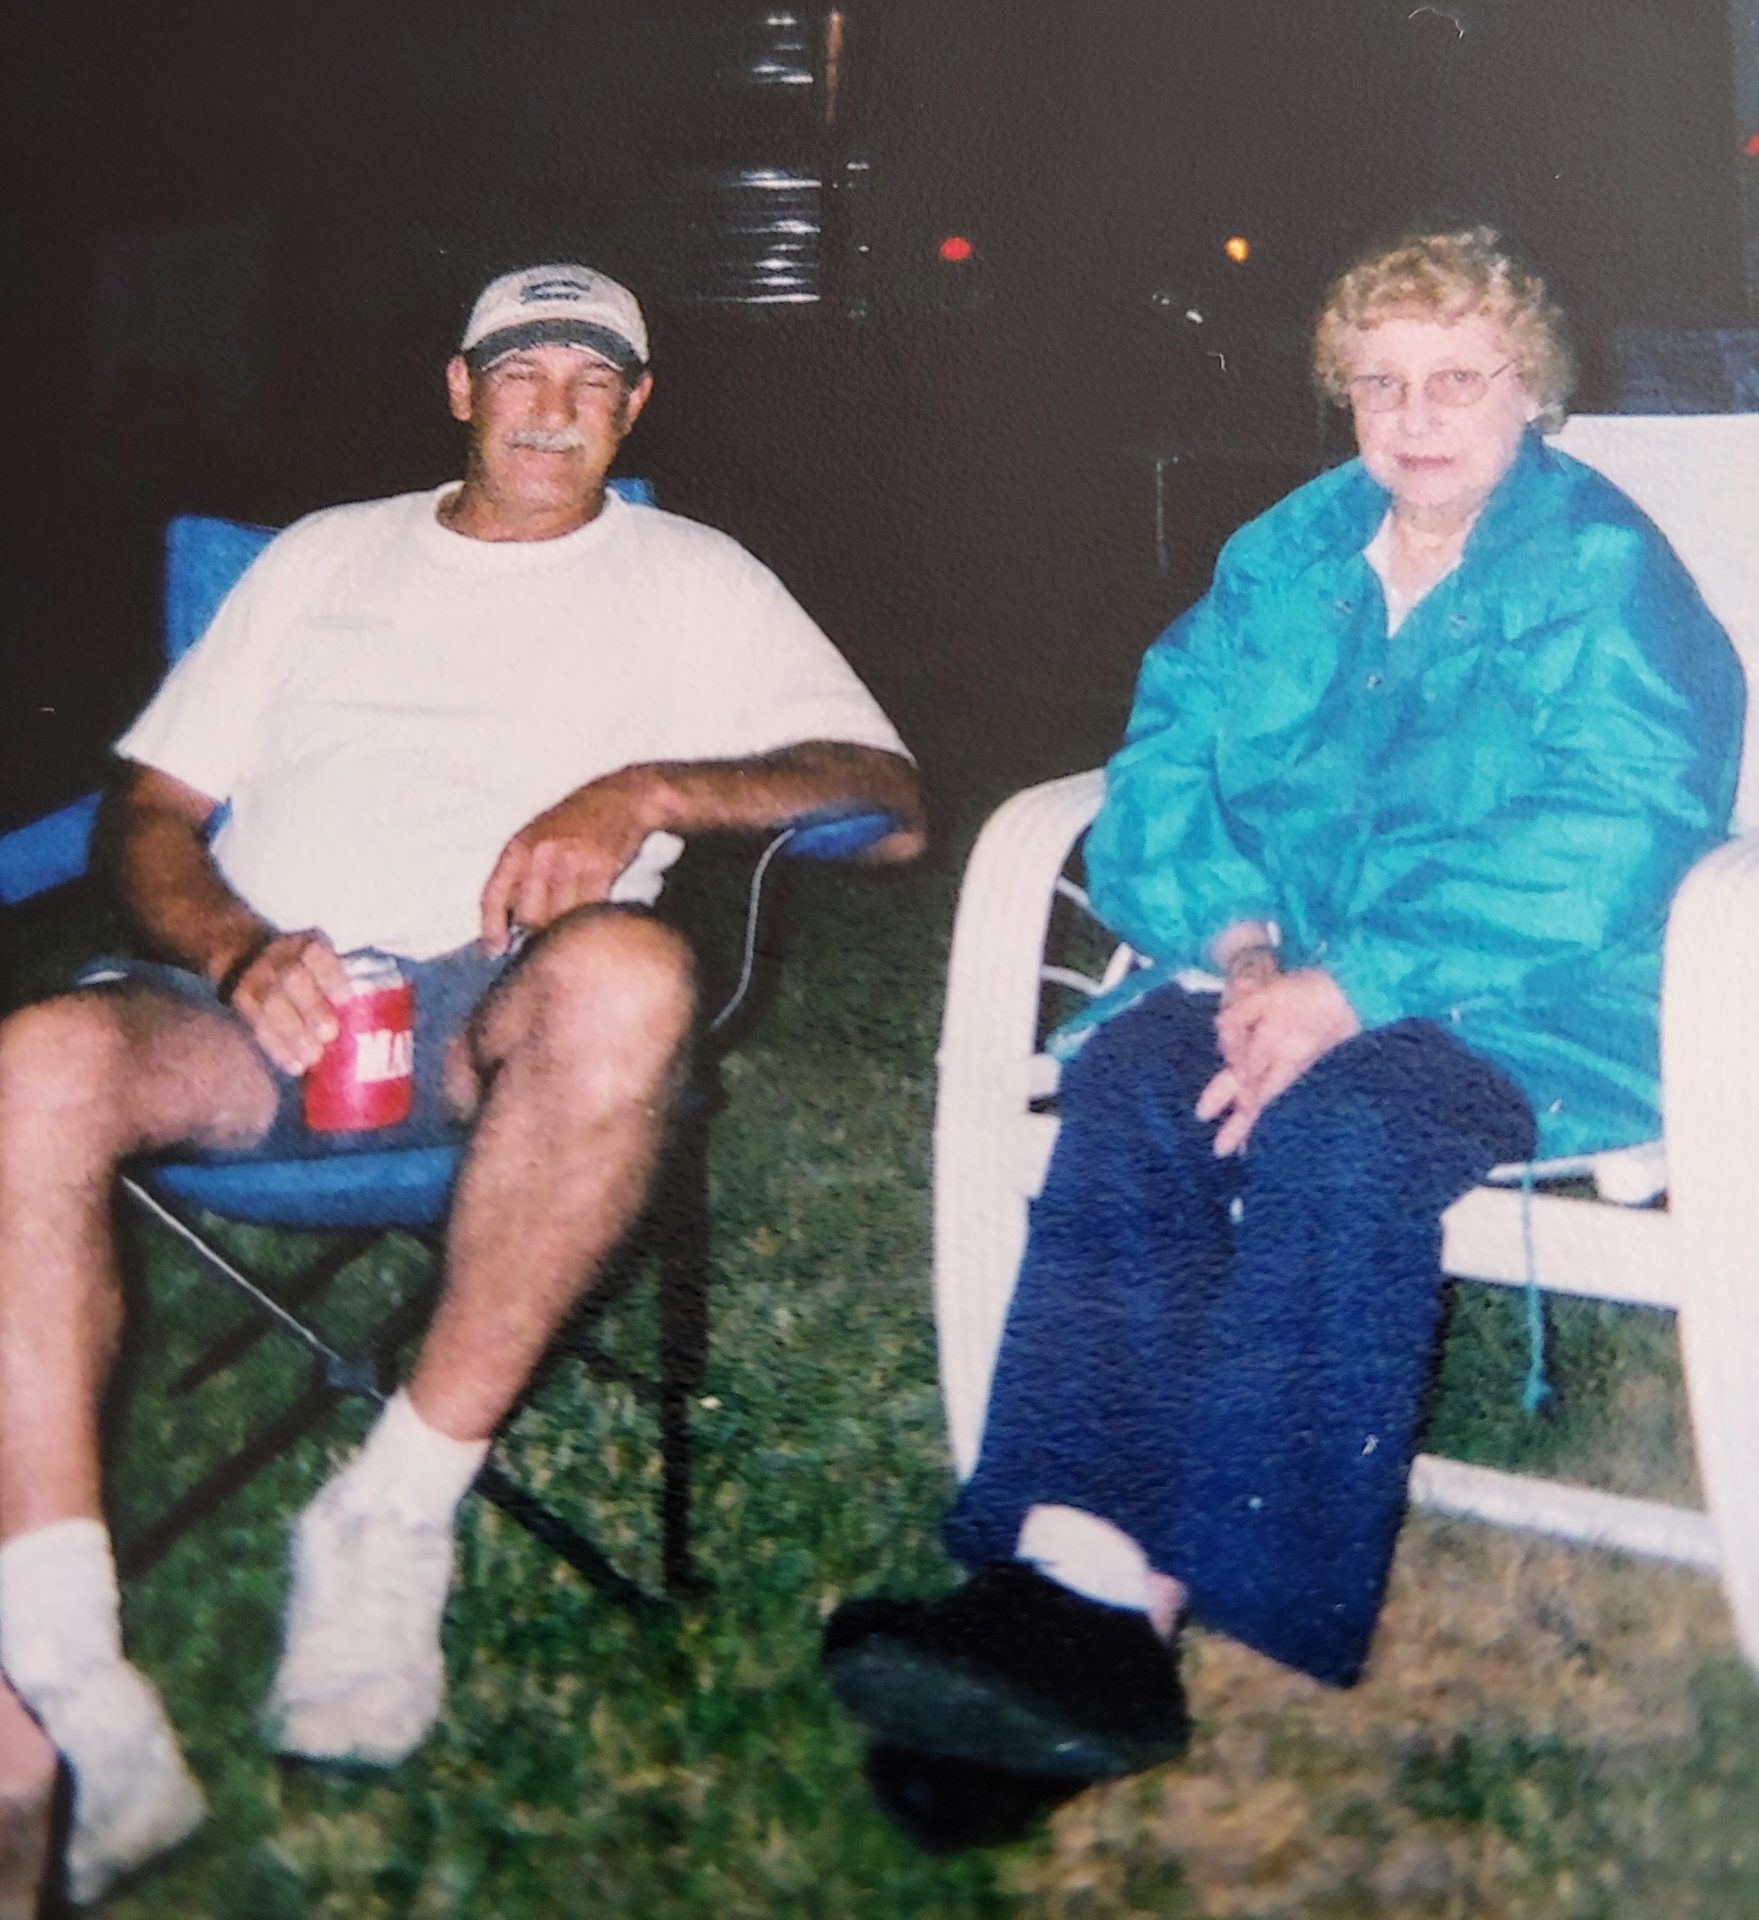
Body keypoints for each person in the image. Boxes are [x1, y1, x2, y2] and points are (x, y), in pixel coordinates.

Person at [0, 260, 924, 1903]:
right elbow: (148, 808)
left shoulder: (696, 575)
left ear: (637, 407)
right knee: (36, 1068)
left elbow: (882, 792)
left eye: (592, 375)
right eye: (521, 369)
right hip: (254, 994)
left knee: (636, 970)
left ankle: (391, 1511)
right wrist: (234, 952)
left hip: (499, 1007)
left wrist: (640, 788)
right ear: (459, 387)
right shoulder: (318, 556)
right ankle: (65, 1682)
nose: (554, 401)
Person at [823, 226, 1742, 1849]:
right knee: (1131, 1080)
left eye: (1458, 379)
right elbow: (1166, 762)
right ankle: (1072, 1587)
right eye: (1380, 384)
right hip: (1276, 967)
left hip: (1534, 996)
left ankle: (1182, 1608)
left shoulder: (1602, 569)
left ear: (1530, 390)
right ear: (1341, 398)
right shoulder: (1285, 554)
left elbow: (1618, 823)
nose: (1418, 416)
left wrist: (1349, 989)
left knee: (1346, 1130)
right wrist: (1245, 949)